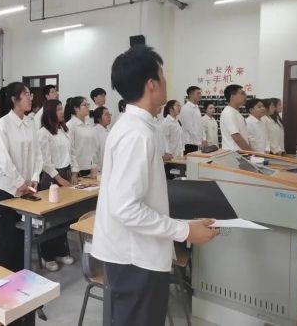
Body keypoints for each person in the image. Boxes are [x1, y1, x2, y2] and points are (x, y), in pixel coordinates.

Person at [92, 45, 218, 326]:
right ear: (152, 84)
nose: (166, 81)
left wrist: (185, 224)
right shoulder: (136, 135)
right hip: (134, 258)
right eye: (163, 75)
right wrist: (184, 230)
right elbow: (126, 208)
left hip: (137, 254)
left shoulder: (136, 127)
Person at [0, 82, 43, 272]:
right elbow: (1, 160)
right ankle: (7, 280)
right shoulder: (2, 125)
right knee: (9, 238)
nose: (30, 98)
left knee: (22, 235)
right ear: (14, 99)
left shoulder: (30, 123)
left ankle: (22, 276)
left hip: (26, 188)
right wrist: (20, 182)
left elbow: (38, 154)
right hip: (6, 189)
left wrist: (35, 177)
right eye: (26, 94)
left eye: (30, 94)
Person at [37, 99, 75, 271]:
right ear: (50, 112)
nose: (61, 112)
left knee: (63, 216)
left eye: (62, 109)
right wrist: (59, 178)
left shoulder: (64, 130)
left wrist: (74, 172)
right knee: (50, 219)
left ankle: (61, 250)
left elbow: (72, 152)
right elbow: (45, 161)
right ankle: (47, 255)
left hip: (66, 174)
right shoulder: (43, 133)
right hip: (52, 177)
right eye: (58, 109)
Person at [65, 96, 97, 181]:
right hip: (78, 170)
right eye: (85, 105)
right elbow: (70, 150)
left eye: (88, 104)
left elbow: (92, 146)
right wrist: (74, 171)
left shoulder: (88, 124)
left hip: (91, 168)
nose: (88, 107)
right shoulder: (70, 125)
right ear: (76, 108)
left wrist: (94, 164)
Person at [220, 84, 251, 151]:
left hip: (240, 153)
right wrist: (251, 152)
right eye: (242, 93)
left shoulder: (235, 112)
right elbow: (236, 137)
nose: (245, 96)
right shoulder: (228, 112)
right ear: (232, 97)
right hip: (234, 154)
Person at [179, 86, 206, 153]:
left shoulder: (197, 108)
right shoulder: (186, 108)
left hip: (198, 143)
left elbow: (200, 125)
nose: (200, 95)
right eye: (198, 93)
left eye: (200, 93)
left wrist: (204, 139)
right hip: (190, 143)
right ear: (191, 94)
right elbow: (189, 128)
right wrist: (198, 142)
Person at [93, 106, 111, 172]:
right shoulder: (95, 131)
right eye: (106, 114)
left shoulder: (109, 130)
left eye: (109, 114)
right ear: (99, 118)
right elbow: (94, 154)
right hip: (100, 169)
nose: (109, 116)